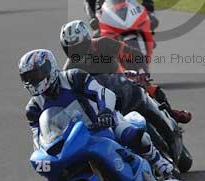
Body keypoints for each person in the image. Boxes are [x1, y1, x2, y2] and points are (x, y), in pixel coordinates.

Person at [18, 49, 174, 179]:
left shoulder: (73, 77)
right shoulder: (33, 107)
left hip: (102, 123)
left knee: (130, 134)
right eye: (28, 78)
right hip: (71, 141)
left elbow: (102, 92)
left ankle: (158, 162)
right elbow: (38, 138)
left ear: (49, 68)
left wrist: (105, 111)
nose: (33, 80)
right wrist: (45, 156)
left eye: (36, 75)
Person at [60, 20, 192, 124]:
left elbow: (133, 54)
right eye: (71, 49)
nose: (77, 52)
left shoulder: (103, 44)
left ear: (88, 41)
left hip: (121, 83)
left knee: (148, 86)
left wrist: (141, 72)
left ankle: (170, 114)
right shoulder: (69, 69)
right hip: (97, 100)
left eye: (80, 47)